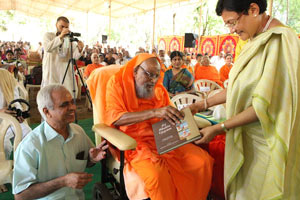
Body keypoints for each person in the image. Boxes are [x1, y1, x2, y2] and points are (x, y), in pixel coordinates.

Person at [189, 0, 300, 199]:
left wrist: (218, 128)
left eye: (233, 22)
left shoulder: (280, 41)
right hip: (245, 136)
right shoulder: (253, 40)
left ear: (253, 9)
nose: (231, 30)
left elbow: (264, 108)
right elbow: (236, 87)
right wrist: (200, 105)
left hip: (265, 143)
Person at [104, 53, 213, 200]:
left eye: (156, 75)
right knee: (157, 175)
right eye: (148, 74)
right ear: (136, 71)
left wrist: (184, 116)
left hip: (165, 139)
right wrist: (154, 112)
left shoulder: (159, 89)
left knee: (202, 161)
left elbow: (171, 113)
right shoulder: (117, 84)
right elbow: (116, 118)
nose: (153, 80)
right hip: (136, 144)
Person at [13, 84, 109, 200]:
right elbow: (20, 195)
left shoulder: (78, 132)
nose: (73, 107)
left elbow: (87, 162)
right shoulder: (30, 146)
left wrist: (91, 159)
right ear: (47, 112)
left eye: (71, 102)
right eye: (64, 105)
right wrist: (63, 182)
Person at [41, 16, 84, 98]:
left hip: (64, 70)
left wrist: (80, 48)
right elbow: (47, 48)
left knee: (66, 95)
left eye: (66, 27)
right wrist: (60, 36)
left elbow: (74, 56)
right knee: (51, 95)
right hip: (52, 70)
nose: (64, 29)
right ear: (56, 25)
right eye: (62, 26)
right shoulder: (48, 35)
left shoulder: (68, 39)